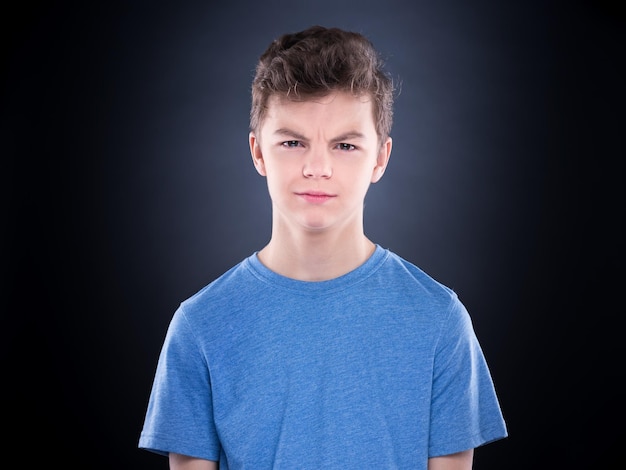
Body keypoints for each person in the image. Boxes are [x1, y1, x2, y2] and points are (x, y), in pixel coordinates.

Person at [138, 25, 508, 469]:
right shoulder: (198, 326)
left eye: (345, 145)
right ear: (258, 153)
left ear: (380, 158)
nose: (318, 168)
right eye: (293, 142)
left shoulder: (440, 319)